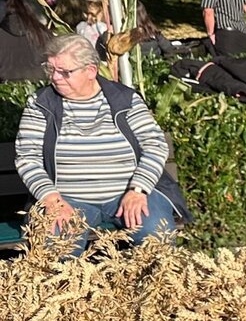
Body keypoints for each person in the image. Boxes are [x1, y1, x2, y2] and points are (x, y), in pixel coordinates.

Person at [15, 35, 190, 255]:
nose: (55, 77)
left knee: (156, 235)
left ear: (90, 71)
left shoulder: (125, 99)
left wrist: (138, 189)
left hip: (128, 193)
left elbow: (155, 145)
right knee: (55, 245)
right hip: (66, 198)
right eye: (50, 69)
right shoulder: (41, 104)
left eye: (64, 72)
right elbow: (27, 158)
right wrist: (51, 198)